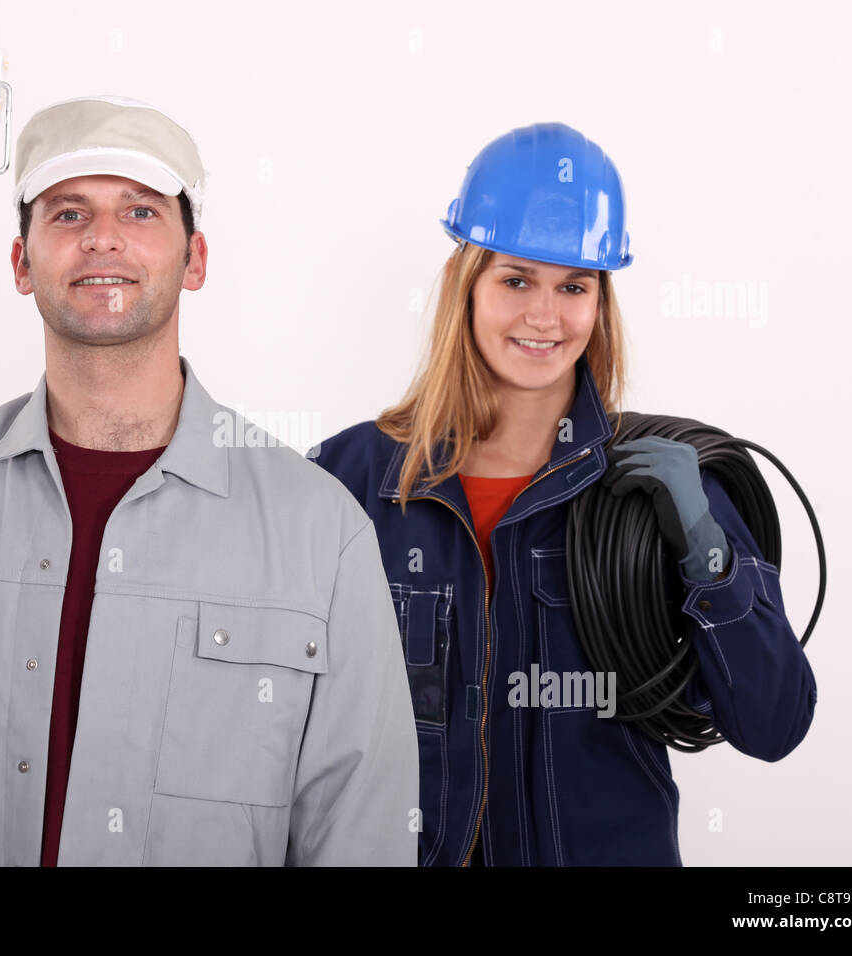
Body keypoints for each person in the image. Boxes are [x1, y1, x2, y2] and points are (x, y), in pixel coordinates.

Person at [0, 95, 419, 866]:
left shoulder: (318, 530)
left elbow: (365, 834)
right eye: (67, 214)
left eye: (138, 211)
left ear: (194, 259)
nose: (103, 238)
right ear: (22, 263)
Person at [308, 122, 816, 866]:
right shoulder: (354, 478)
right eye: (516, 280)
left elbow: (773, 725)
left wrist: (708, 554)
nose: (545, 316)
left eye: (573, 286)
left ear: (599, 302)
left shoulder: (664, 490)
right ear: (465, 285)